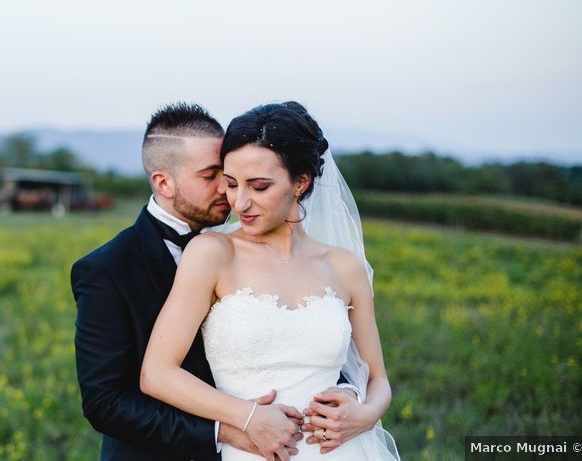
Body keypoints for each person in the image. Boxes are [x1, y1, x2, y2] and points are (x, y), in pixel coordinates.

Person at [71, 103, 369, 460]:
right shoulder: (107, 269)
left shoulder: (273, 245)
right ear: (164, 182)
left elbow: (305, 345)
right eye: (214, 177)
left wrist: (350, 397)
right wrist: (228, 430)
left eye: (234, 178)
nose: (230, 194)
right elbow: (107, 402)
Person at [139, 102, 399, 460]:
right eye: (231, 184)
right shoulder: (212, 253)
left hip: (343, 450)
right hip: (251, 451)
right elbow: (156, 373)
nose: (240, 202)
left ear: (301, 182)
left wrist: (365, 415)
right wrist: (247, 416)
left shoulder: (345, 267)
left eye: (259, 187)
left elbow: (377, 379)